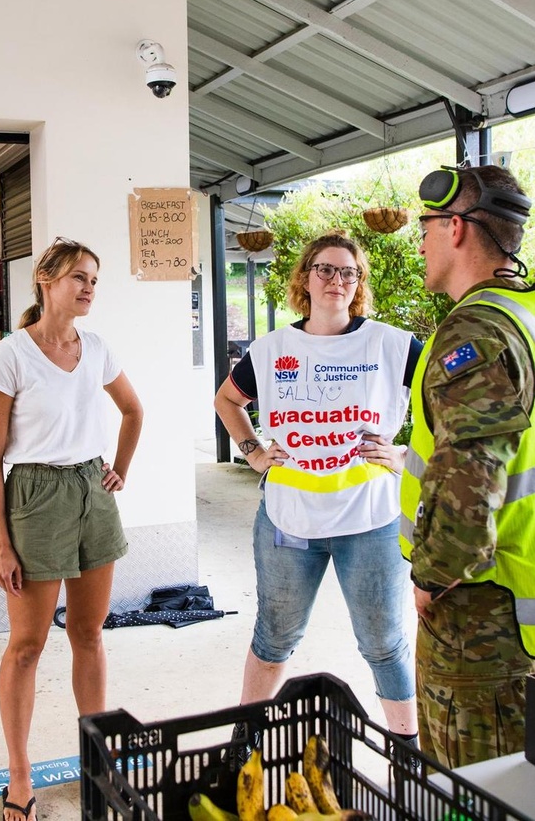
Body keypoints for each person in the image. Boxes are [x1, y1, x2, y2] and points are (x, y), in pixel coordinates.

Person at [214, 231, 422, 748]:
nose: (337, 280)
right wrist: (254, 451)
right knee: (275, 636)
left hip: (370, 521)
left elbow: (450, 408)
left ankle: (407, 752)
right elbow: (227, 401)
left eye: (348, 272)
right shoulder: (272, 350)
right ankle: (246, 742)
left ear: (359, 283)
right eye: (325, 270)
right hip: (289, 520)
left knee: (384, 645)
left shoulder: (392, 345)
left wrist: (407, 456)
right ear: (305, 279)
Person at [0, 236, 143, 821]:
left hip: (91, 493)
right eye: (79, 276)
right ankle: (19, 775)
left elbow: (133, 410)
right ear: (46, 280)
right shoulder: (10, 355)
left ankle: (96, 755)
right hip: (34, 496)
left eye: (94, 279)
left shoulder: (95, 348)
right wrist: (2, 542)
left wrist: (118, 470)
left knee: (90, 634)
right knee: (26, 646)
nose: (89, 287)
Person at [399, 164, 535, 769]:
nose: (420, 242)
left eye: (424, 227)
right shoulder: (523, 318)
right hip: (519, 601)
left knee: (472, 787)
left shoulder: (477, 332)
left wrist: (431, 578)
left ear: (454, 229)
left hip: (482, 615)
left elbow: (468, 485)